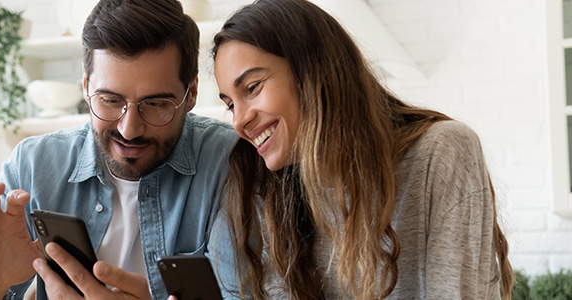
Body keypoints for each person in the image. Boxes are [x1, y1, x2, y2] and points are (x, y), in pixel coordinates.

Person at [207, 0, 514, 299]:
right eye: (231, 104)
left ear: (312, 72)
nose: (239, 120)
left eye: (253, 87)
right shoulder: (274, 196)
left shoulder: (442, 154)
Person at [0, 0, 237, 299]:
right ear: (86, 85)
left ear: (192, 93)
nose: (129, 129)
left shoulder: (231, 163)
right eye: (110, 100)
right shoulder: (33, 166)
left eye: (156, 104)